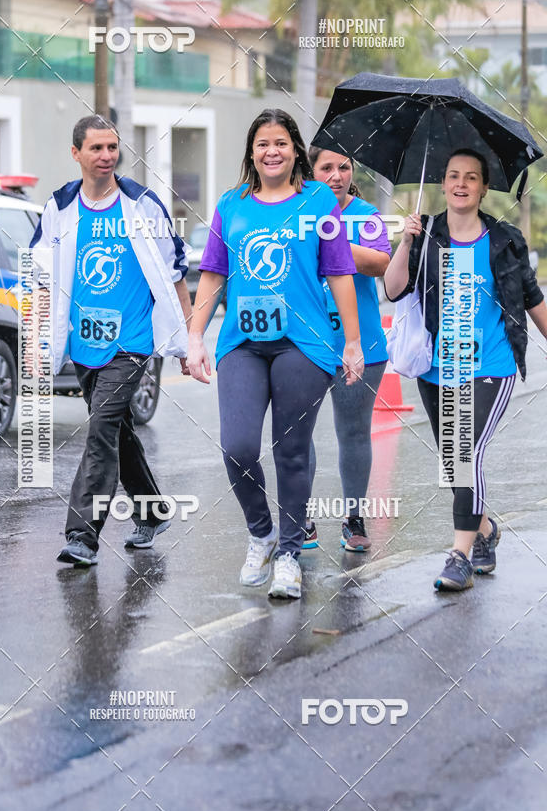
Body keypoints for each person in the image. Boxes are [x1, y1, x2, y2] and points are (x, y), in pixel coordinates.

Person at [187, 108, 363, 600]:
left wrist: (351, 340)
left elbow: (340, 272)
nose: (272, 151)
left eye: (281, 143)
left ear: (295, 151)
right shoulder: (231, 204)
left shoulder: (318, 201)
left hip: (303, 345)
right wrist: (196, 336)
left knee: (290, 451)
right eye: (263, 143)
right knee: (238, 446)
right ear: (251, 151)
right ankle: (261, 533)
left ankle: (289, 554)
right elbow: (213, 276)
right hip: (241, 342)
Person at [30, 114, 191, 566]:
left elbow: (174, 270)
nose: (106, 156)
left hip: (131, 340)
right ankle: (153, 510)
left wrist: (187, 339)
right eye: (96, 148)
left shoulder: (142, 205)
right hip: (83, 341)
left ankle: (82, 535)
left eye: (112, 148)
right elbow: (40, 276)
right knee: (116, 431)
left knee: (100, 427)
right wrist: (38, 340)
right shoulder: (60, 206)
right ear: (76, 152)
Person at [384, 148, 547, 591]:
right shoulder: (427, 235)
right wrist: (406, 241)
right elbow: (394, 289)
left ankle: (458, 554)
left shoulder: (505, 239)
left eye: (470, 177)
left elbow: (532, 300)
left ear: (483, 187)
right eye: (453, 176)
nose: (461, 183)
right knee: (456, 465)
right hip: (438, 369)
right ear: (443, 184)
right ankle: (487, 531)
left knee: (465, 454)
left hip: (491, 365)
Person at [305, 147, 391, 552]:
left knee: (354, 433)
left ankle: (354, 519)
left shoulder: (366, 215)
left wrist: (332, 240)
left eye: (344, 167)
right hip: (303, 343)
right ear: (310, 171)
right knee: (296, 434)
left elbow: (381, 263)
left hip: (362, 346)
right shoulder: (295, 211)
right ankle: (298, 516)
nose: (337, 174)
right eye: (327, 167)